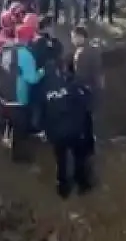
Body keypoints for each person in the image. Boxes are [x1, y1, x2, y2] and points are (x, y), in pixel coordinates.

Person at [40, 65, 94, 197]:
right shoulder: (74, 84)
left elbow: (41, 111)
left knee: (61, 160)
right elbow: (86, 102)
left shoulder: (44, 86)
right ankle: (82, 183)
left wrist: (47, 131)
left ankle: (62, 187)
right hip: (74, 129)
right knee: (79, 157)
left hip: (56, 132)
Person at [0, 23, 42, 162]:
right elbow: (32, 79)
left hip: (3, 96)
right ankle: (18, 156)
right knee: (20, 130)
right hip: (19, 99)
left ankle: (6, 136)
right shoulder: (26, 54)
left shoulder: (4, 48)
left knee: (9, 119)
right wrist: (43, 71)